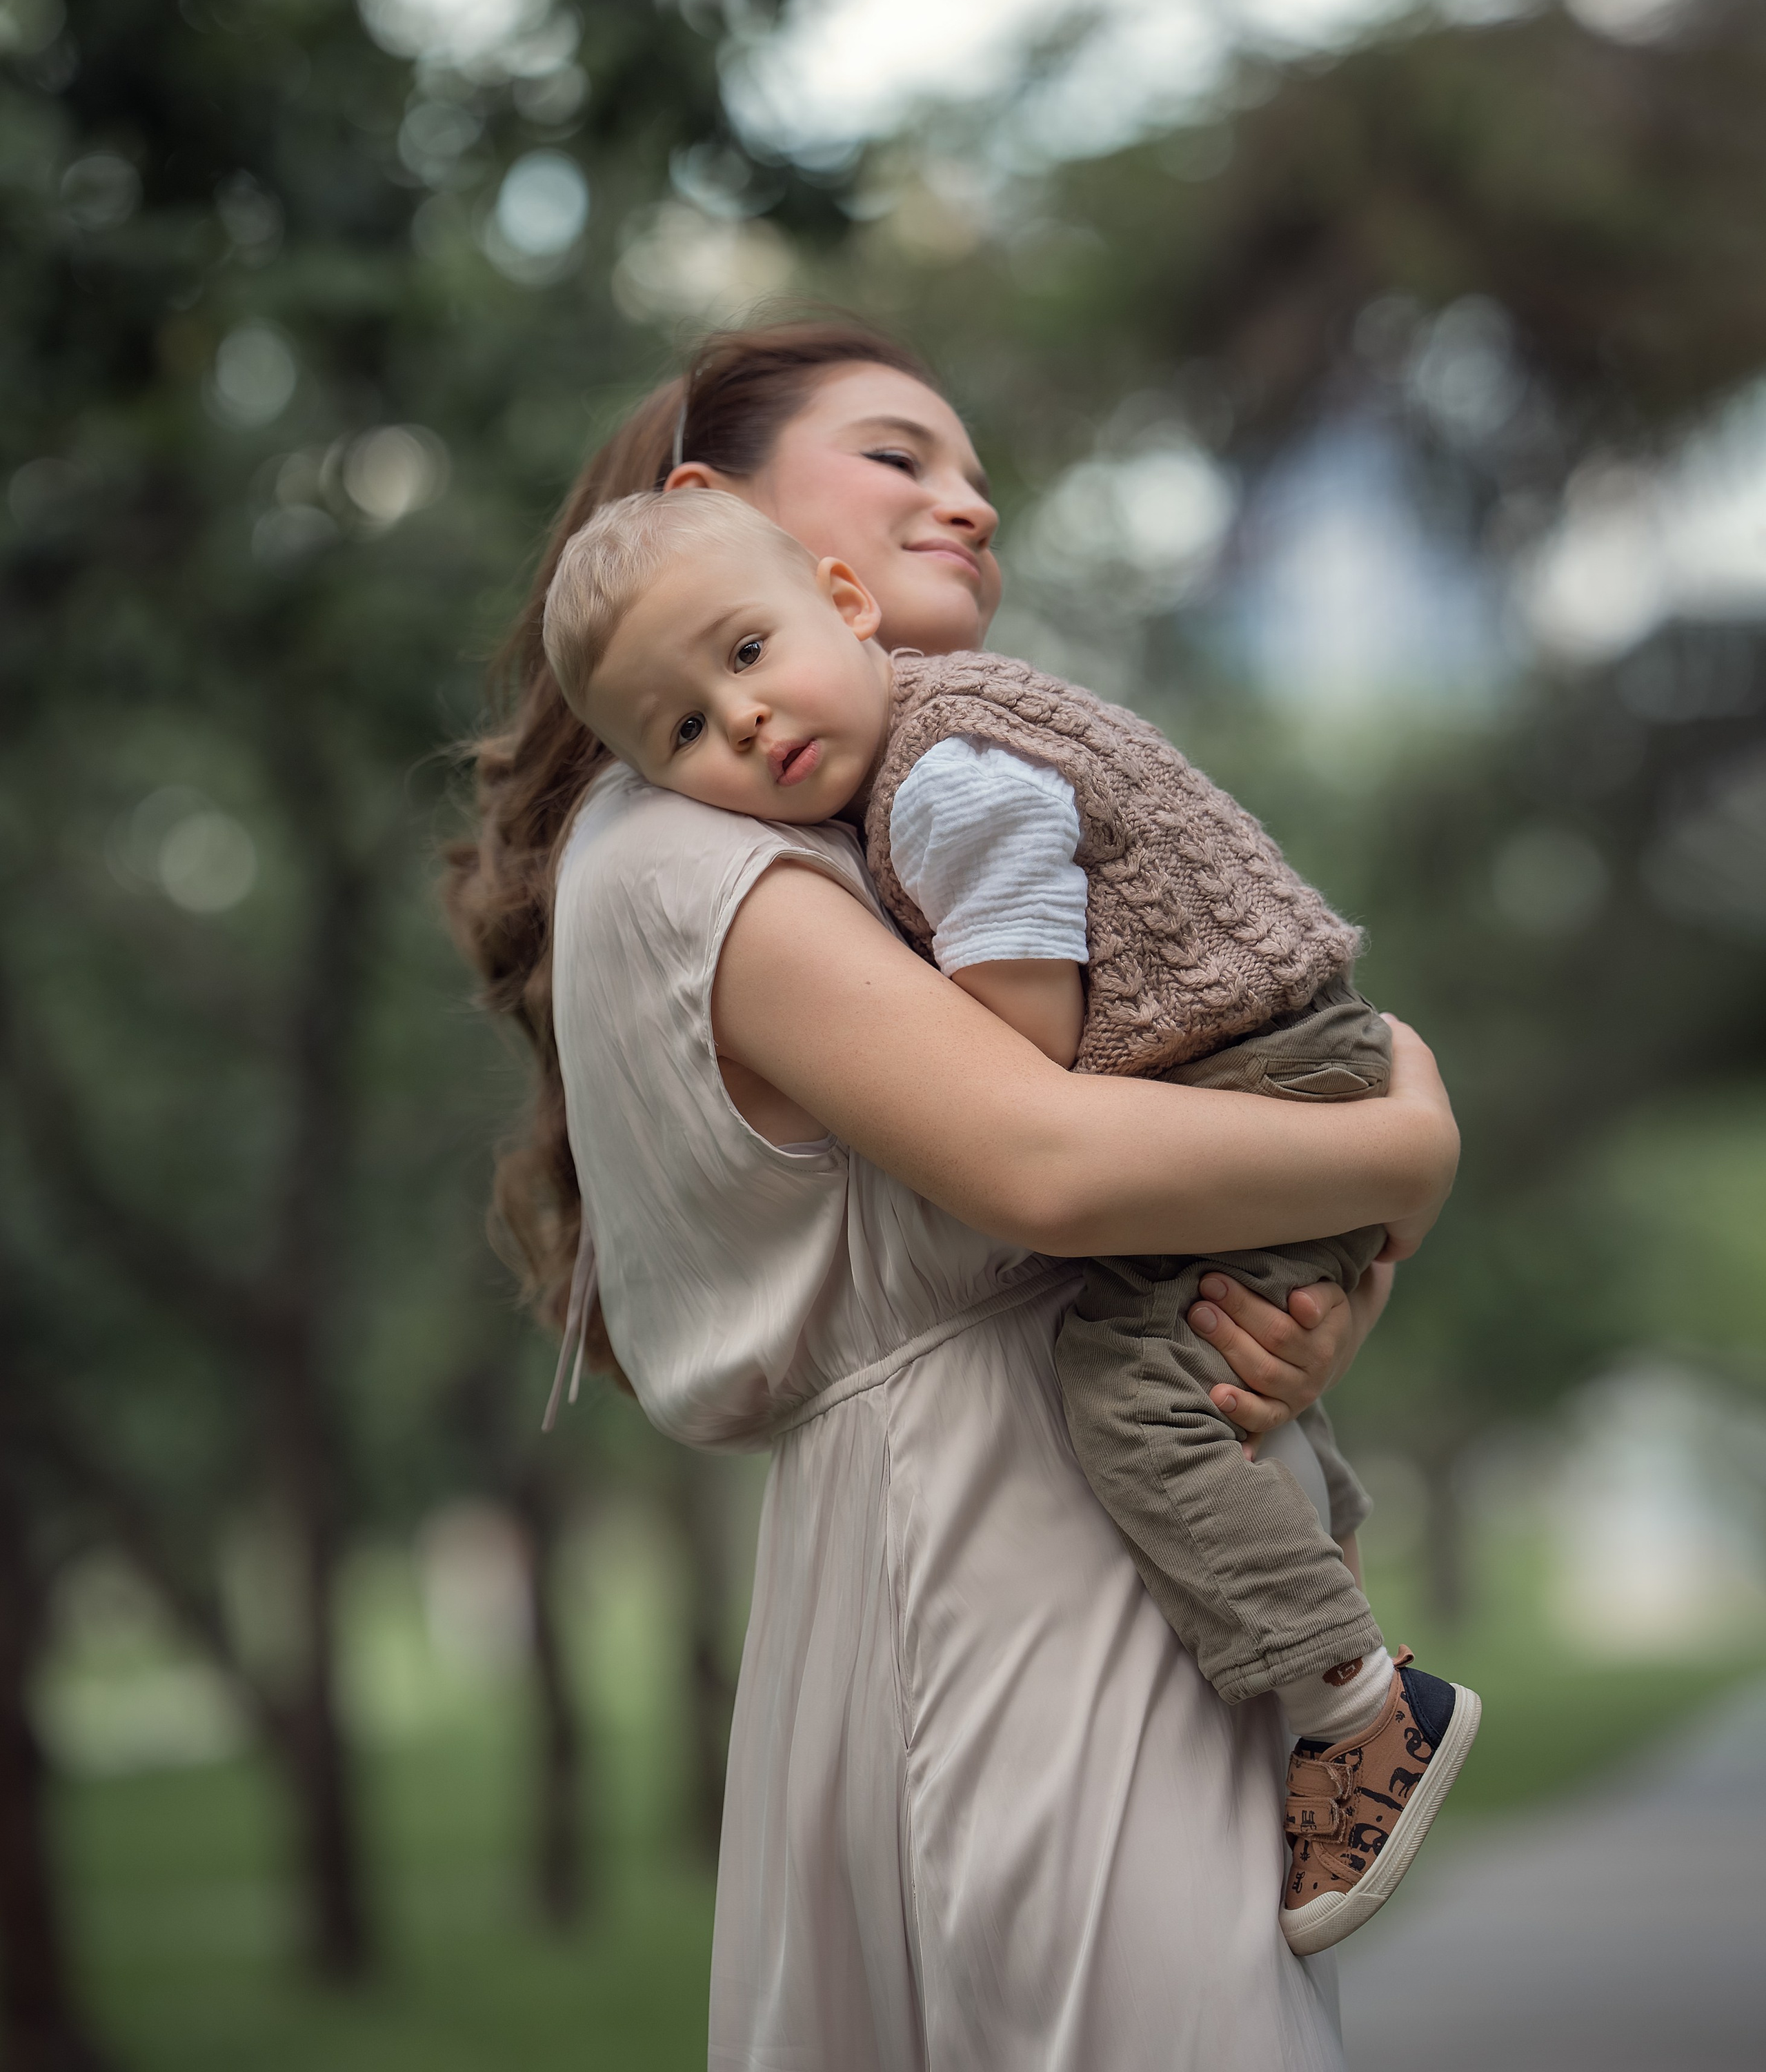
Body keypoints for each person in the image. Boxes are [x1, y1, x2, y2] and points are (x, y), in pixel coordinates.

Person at [447, 320, 1460, 2070]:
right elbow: (1047, 1158)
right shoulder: (691, 849)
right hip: (999, 1534)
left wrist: (1315, 1295)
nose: (968, 500)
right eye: (901, 453)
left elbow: (1142, 1133)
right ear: (716, 508)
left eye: (974, 468)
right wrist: (1408, 1140)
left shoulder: (857, 817)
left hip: (1020, 1523)